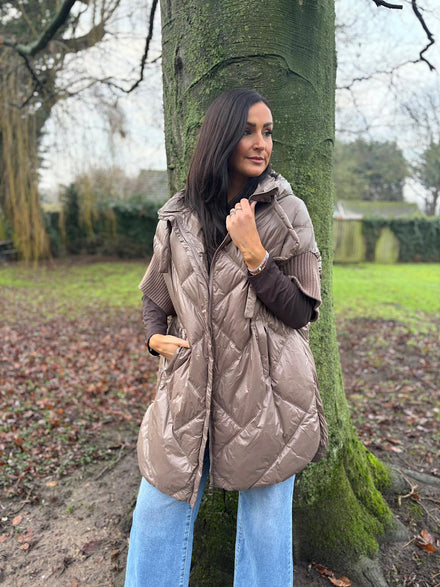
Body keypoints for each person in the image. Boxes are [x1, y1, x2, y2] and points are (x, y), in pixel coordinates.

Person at [124, 88, 328, 587]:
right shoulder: (179, 216)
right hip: (187, 387)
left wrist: (256, 255)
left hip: (270, 392)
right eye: (249, 131)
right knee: (156, 512)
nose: (262, 143)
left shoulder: (288, 212)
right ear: (221, 137)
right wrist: (154, 339)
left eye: (268, 132)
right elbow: (155, 294)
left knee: (265, 529)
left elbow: (302, 310)